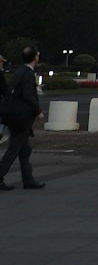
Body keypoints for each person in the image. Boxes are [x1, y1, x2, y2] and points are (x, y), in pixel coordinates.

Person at [0, 46, 45, 190]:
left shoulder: (19, 71)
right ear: (35, 58)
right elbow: (28, 95)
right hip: (21, 118)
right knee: (14, 149)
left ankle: (28, 179)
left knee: (24, 150)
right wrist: (38, 111)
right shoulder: (28, 74)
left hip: (13, 115)